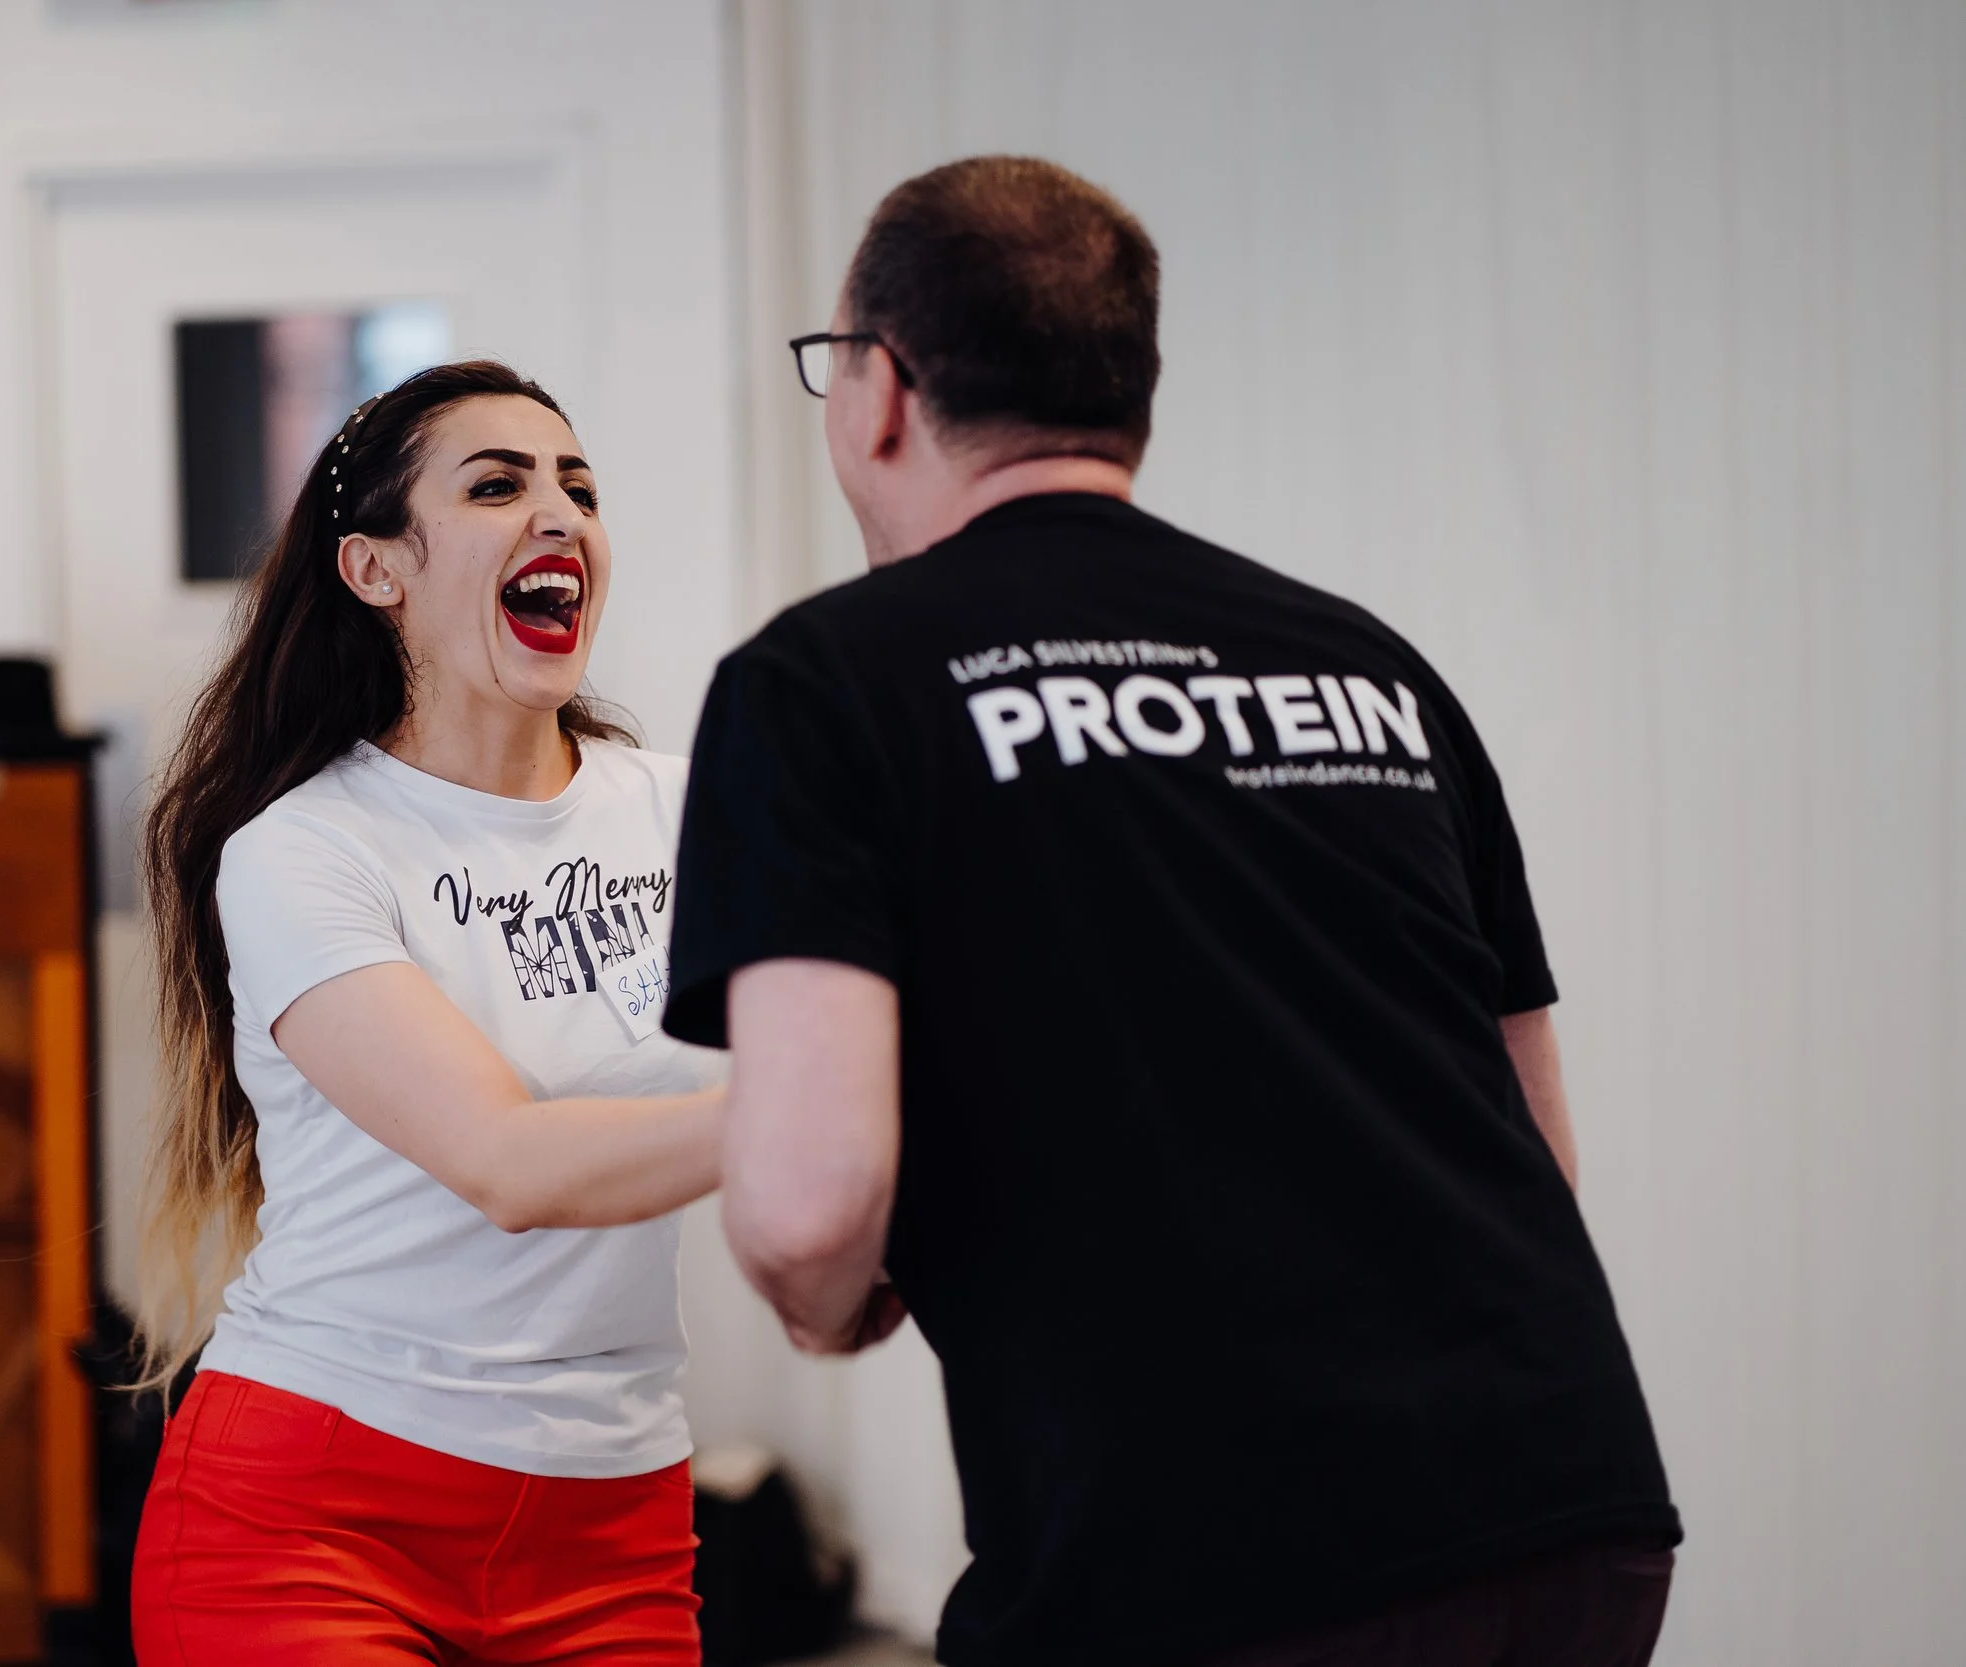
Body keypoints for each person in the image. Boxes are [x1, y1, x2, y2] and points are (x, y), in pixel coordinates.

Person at [663, 157, 1680, 1666]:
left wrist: (824, 1299)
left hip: (1207, 1564)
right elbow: (1540, 1148)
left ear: (882, 390)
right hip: (1563, 1510)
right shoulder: (1371, 668)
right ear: (1128, 393)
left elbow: (810, 1200)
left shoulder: (821, 686)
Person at [133, 359, 721, 1664]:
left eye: (578, 485)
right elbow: (506, 1162)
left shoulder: (694, 810)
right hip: (310, 1514)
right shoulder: (305, 851)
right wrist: (815, 1104)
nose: (557, 513)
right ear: (376, 570)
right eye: (497, 484)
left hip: (614, 1515)